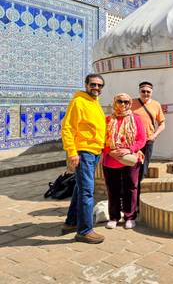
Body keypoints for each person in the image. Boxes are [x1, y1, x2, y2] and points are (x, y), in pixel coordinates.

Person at [61, 74, 106, 244]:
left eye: (99, 85)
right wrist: (72, 152)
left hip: (94, 152)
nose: (96, 87)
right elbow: (67, 128)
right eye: (93, 84)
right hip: (84, 152)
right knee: (87, 191)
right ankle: (84, 231)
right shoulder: (79, 102)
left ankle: (71, 222)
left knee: (80, 188)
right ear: (86, 84)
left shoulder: (94, 102)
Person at [103, 93, 146, 229]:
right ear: (115, 102)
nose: (123, 104)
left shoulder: (136, 119)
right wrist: (110, 151)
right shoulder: (108, 119)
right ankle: (114, 217)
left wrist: (129, 149)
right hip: (111, 160)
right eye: (120, 101)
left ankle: (129, 216)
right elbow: (101, 139)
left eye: (126, 102)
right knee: (113, 189)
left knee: (130, 188)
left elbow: (142, 139)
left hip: (130, 159)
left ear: (130, 104)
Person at [131, 82, 165, 182]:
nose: (145, 93)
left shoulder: (156, 105)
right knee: (133, 162)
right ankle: (132, 185)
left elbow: (162, 124)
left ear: (152, 92)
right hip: (134, 140)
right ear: (139, 91)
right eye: (143, 91)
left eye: (148, 92)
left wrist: (154, 136)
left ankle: (138, 185)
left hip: (148, 139)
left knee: (144, 164)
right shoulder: (131, 103)